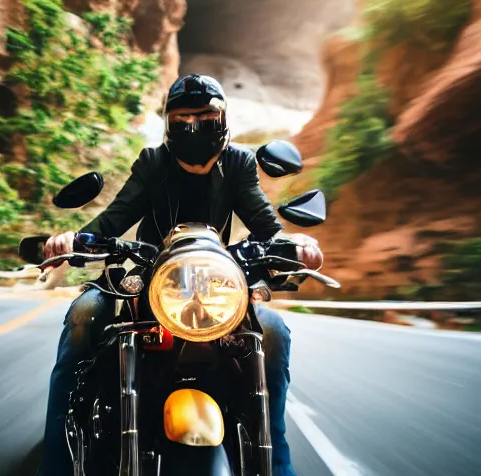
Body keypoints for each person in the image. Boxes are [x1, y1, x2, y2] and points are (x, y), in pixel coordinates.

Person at [40, 74, 323, 476]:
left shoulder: (239, 162)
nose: (194, 127)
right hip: (152, 277)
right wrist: (73, 240)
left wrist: (294, 244)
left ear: (223, 118)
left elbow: (265, 223)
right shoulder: (153, 162)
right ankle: (55, 466)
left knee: (272, 332)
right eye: (183, 119)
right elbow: (114, 218)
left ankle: (277, 464)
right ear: (169, 123)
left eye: (206, 117)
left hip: (216, 284)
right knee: (84, 314)